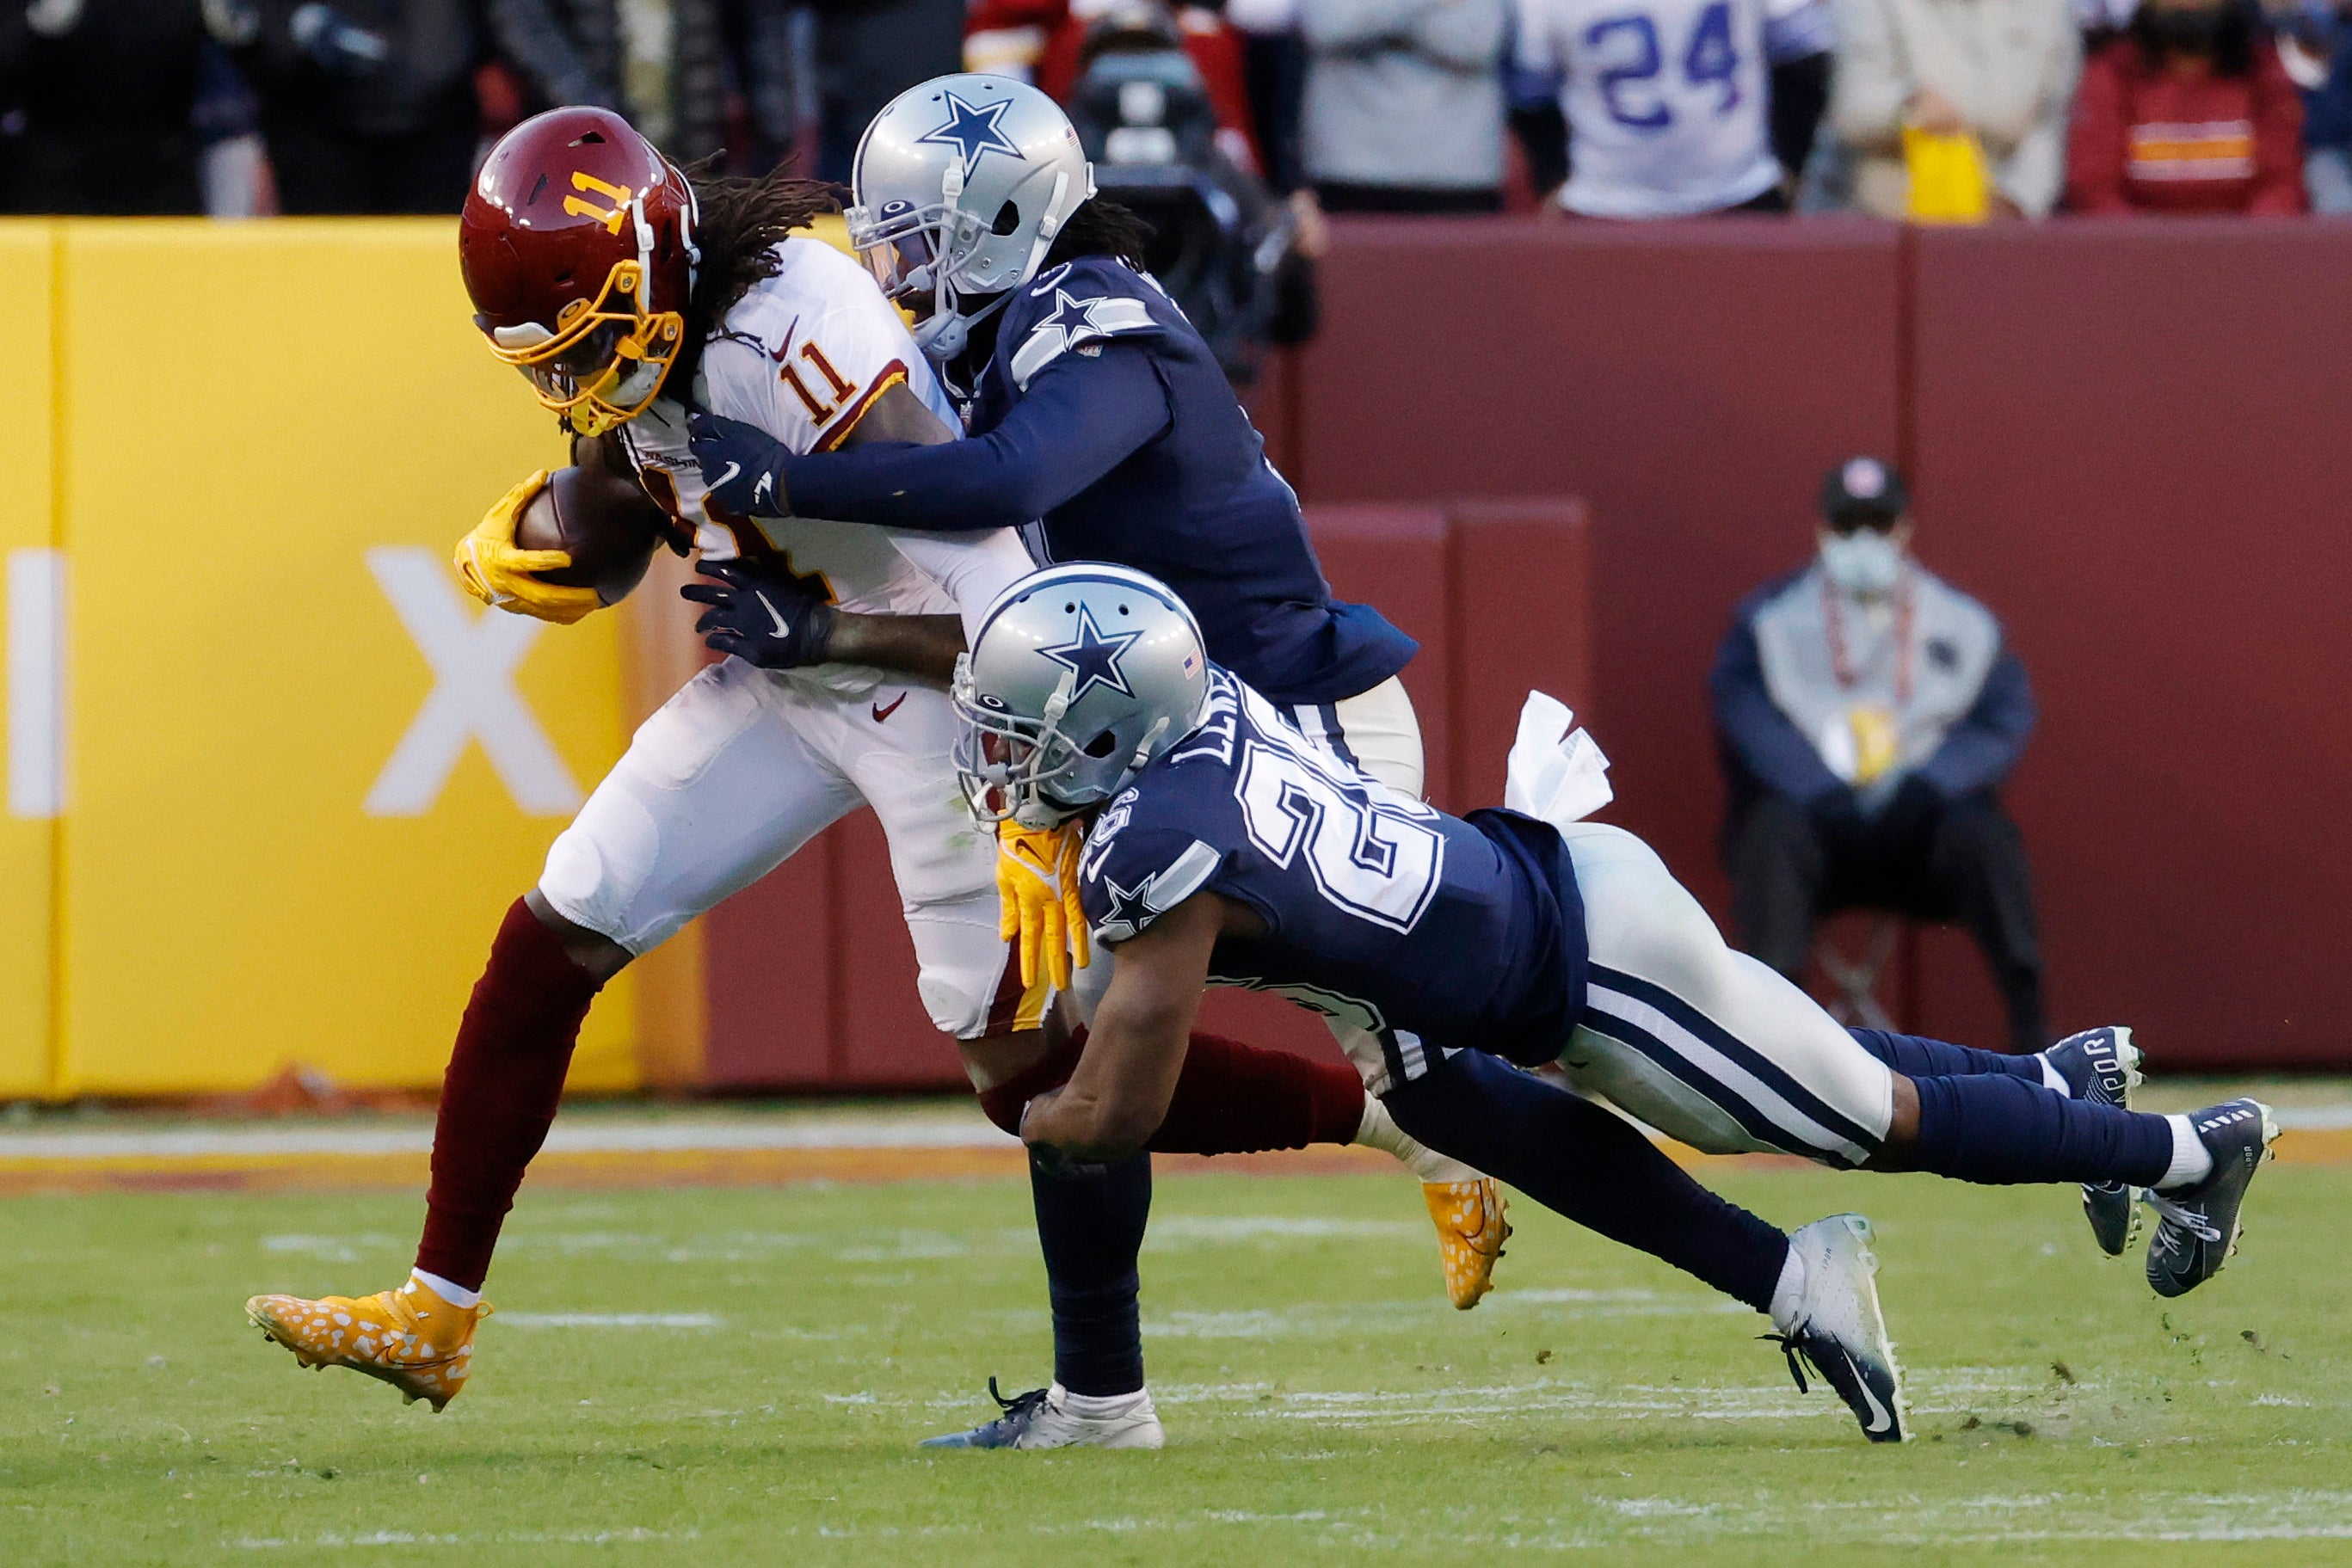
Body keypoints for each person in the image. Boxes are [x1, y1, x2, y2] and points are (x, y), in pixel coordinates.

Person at [243, 106, 1487, 1429]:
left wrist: (1017, 776)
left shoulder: (798, 325)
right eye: (555, 359)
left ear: (656, 269)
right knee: (559, 924)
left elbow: (1001, 587)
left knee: (1035, 1087)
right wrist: (540, 529)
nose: (579, 378)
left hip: (940, 685)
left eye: (593, 340)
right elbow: (620, 517)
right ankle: (437, 1308)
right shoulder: (647, 334)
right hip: (788, 674)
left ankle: (1383, 1120)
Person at [961, 562, 2281, 1437]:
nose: (999, 763)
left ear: (1098, 731)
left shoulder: (1156, 853)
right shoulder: (1204, 720)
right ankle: (2051, 1089)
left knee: (1857, 1115)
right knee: (1457, 1095)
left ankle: (2180, 1151)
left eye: (1018, 733)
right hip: (1521, 911)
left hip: (1589, 963)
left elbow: (1118, 1100)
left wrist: (1042, 1120)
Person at [684, 73, 1513, 1445]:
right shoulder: (999, 343)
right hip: (1184, 741)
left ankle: (1762, 1219)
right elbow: (1022, 629)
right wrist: (825, 623)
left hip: (1296, 726)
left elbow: (1011, 481)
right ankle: (1101, 1397)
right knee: (1074, 1074)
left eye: (912, 238)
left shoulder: (1093, 312)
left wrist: (785, 480)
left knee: (1494, 1048)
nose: (892, 273)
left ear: (998, 216)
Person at [1712, 458, 2050, 1057]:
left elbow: (2001, 720)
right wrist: (1813, 786)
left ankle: (2034, 1033)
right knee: (1770, 835)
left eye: (1878, 523)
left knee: (1988, 838)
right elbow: (1744, 713)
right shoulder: (1768, 621)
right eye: (1847, 526)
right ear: (1821, 530)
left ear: (1904, 529)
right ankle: (1766, 1047)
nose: (1863, 541)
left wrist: (1934, 784)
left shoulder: (1965, 623)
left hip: (1918, 827)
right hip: (1815, 827)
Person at [1505, 0, 1832, 216]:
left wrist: (1786, 160)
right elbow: (1531, 96)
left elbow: (1806, 56)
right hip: (1608, 203)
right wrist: (1556, 178)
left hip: (1737, 191)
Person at [212, 0, 481, 214]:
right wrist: (290, 37)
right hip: (312, 119)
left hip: (434, 123)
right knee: (321, 269)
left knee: (431, 267)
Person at [1825, 0, 2078, 218]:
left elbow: (2051, 117)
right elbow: (1852, 109)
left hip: (1999, 215)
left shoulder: (2048, 8)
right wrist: (1908, 107)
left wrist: (2016, 200)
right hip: (1880, 215)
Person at [2066, 0, 2306, 212]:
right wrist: (2154, 255)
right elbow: (2095, 191)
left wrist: (2240, 254)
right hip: (2136, 255)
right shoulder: (2110, 74)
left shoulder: (2265, 73)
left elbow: (2282, 187)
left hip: (2245, 254)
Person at [1298, 0, 1507, 213]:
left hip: (1458, 170)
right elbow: (1328, 26)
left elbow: (1480, 39)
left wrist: (1372, 18)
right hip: (1347, 166)